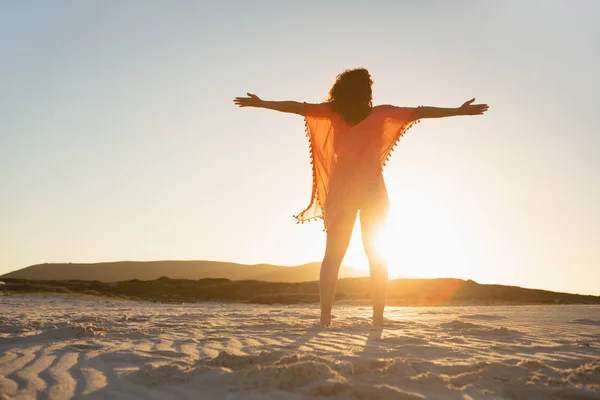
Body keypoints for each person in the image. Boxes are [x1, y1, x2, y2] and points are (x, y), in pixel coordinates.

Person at [234, 68, 488, 326]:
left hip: (345, 191)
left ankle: (326, 319)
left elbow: (296, 107)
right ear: (366, 91)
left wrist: (262, 103)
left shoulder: (334, 112)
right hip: (371, 191)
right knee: (373, 255)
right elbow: (421, 111)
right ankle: (377, 318)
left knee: (334, 256)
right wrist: (457, 110)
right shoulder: (379, 113)